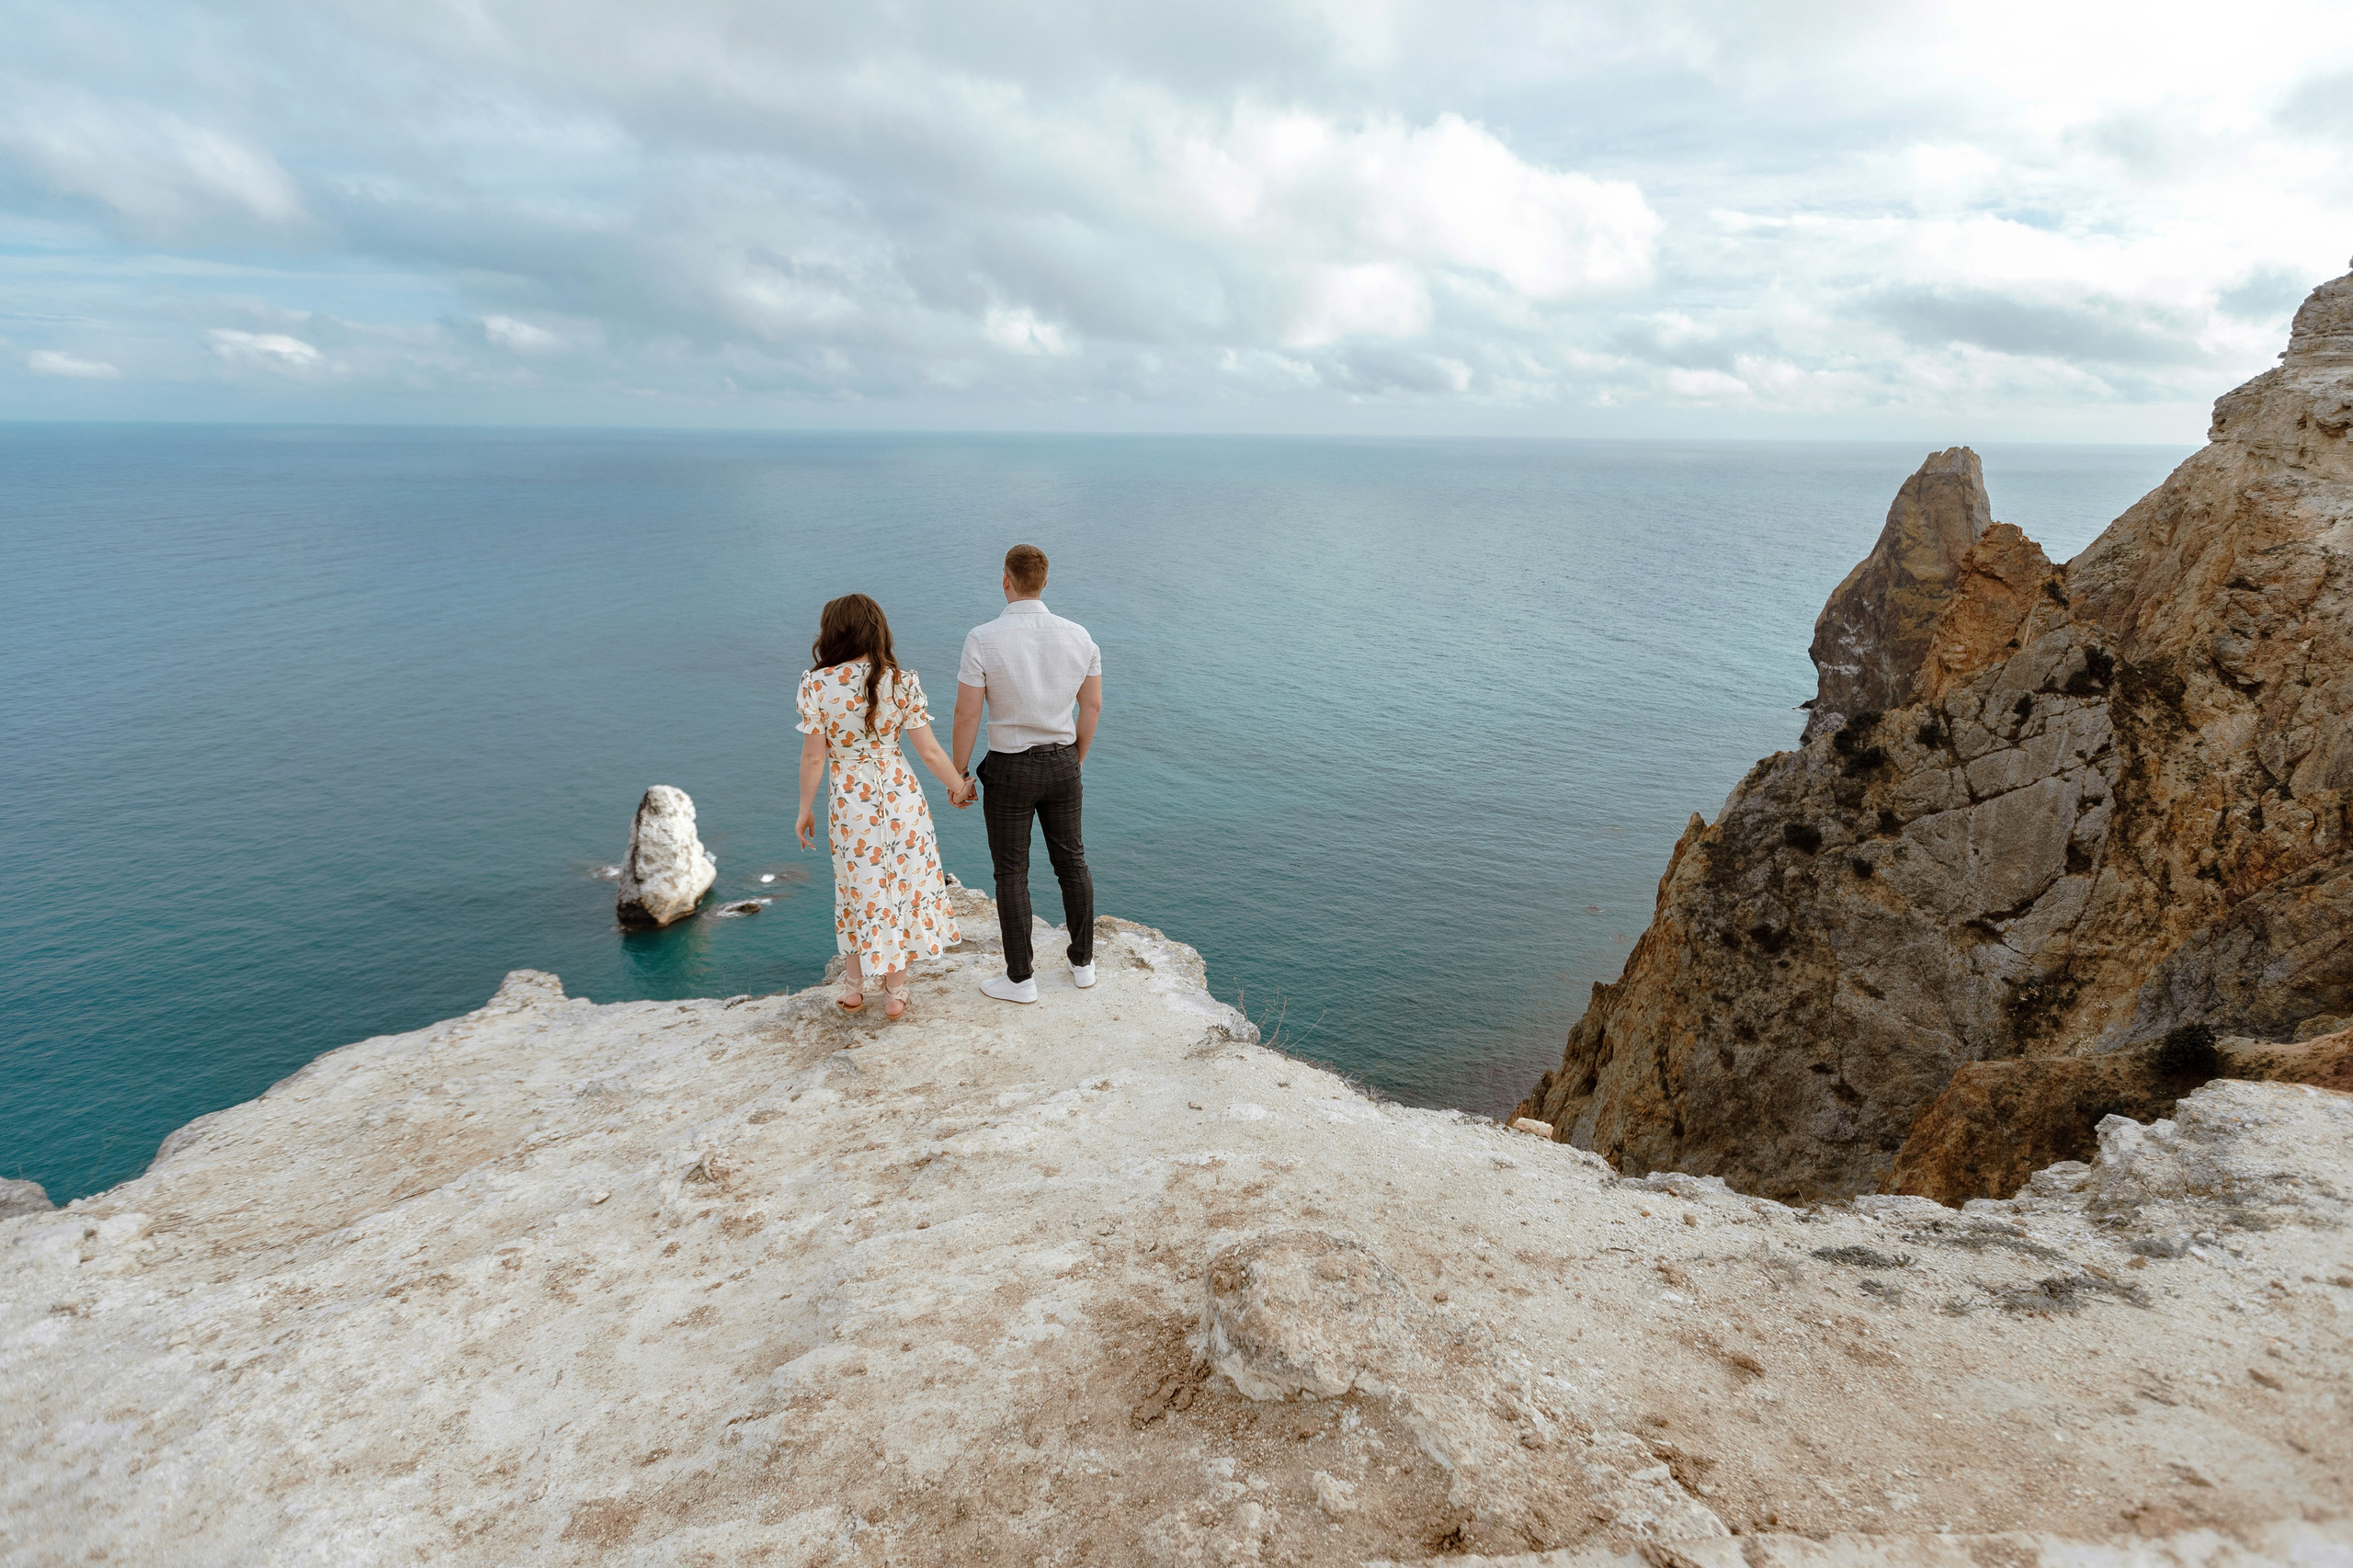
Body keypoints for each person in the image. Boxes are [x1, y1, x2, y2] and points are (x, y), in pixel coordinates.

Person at [794, 594, 973, 1018]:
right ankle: (895, 992)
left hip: (850, 803)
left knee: (858, 889)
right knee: (901, 887)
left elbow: (815, 758)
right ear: (877, 631)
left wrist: (805, 809)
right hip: (901, 797)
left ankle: (854, 988)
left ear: (833, 632)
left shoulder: (816, 685)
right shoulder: (900, 681)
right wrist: (959, 787)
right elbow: (929, 751)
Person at [951, 544, 1102, 1004]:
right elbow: (1092, 706)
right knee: (1072, 862)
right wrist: (1075, 760)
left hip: (1010, 767)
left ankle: (1020, 980)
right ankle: (1083, 965)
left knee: (1012, 874)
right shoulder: (1080, 636)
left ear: (1006, 580)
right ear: (1045, 582)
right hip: (1063, 761)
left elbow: (967, 714)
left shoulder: (982, 638)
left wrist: (959, 774)